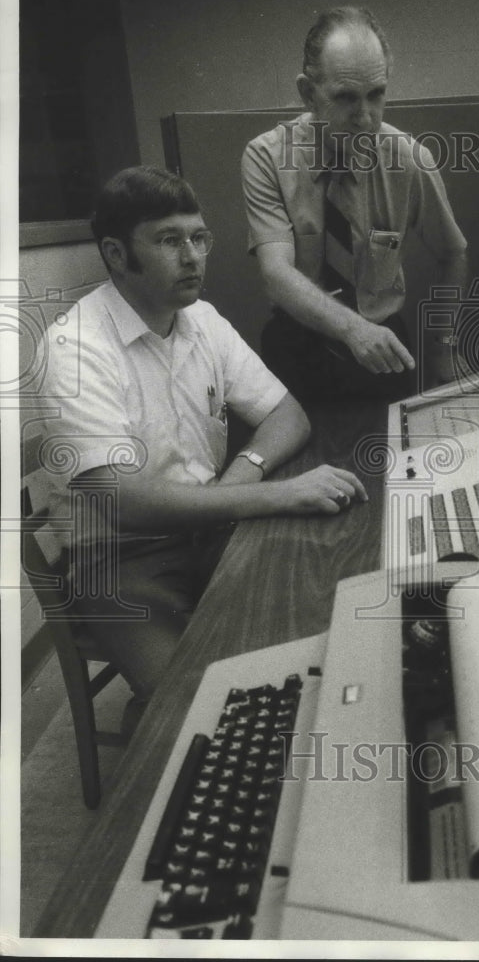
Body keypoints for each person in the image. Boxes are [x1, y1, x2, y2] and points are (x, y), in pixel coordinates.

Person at [39, 166, 367, 718]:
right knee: (206, 712)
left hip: (211, 522)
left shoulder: (201, 319)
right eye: (169, 240)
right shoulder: (73, 349)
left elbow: (288, 416)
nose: (193, 256)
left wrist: (243, 476)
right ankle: (164, 715)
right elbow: (127, 504)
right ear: (116, 255)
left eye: (199, 237)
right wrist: (274, 494)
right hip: (119, 562)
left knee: (316, 628)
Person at [242, 5, 468, 404]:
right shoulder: (266, 157)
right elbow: (276, 273)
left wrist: (442, 348)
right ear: (308, 93)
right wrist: (352, 330)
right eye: (346, 97)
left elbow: (453, 253)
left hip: (382, 346)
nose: (365, 117)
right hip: (298, 346)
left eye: (376, 94)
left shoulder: (410, 159)